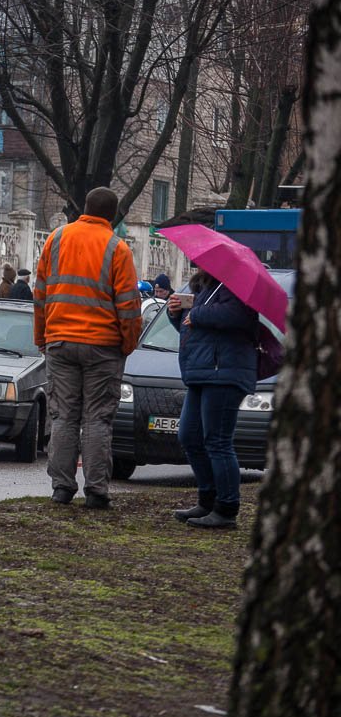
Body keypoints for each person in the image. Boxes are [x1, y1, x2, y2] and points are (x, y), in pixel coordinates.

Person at [33, 187, 142, 509]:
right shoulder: (117, 249)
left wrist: (42, 337)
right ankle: (96, 490)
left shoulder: (56, 239)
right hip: (103, 347)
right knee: (97, 419)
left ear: (84, 208)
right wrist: (128, 342)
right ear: (113, 215)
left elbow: (40, 294)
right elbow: (128, 305)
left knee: (64, 417)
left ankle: (62, 488)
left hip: (61, 342)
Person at [166, 269, 258, 529]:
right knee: (189, 436)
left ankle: (226, 507)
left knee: (217, 441)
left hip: (224, 372)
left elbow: (237, 316)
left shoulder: (237, 284)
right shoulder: (204, 286)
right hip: (202, 370)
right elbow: (191, 327)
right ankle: (207, 499)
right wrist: (177, 313)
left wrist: (196, 312)